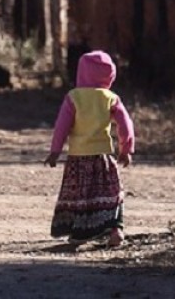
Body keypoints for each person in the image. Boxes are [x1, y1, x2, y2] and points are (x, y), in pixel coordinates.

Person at [45, 50, 135, 247]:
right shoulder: (110, 97)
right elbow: (125, 124)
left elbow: (62, 126)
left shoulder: (74, 97)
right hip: (103, 156)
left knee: (82, 195)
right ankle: (115, 229)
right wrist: (126, 149)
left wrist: (55, 151)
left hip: (78, 157)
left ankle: (80, 232)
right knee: (110, 193)